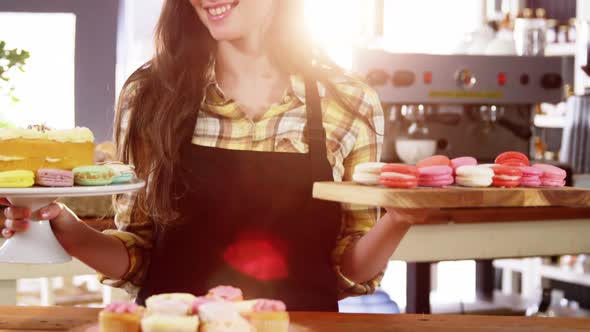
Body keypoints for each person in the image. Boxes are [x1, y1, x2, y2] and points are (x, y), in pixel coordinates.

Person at [1, 0, 433, 311]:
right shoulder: (150, 95)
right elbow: (138, 257)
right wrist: (65, 227)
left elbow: (350, 267)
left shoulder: (348, 102)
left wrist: (399, 218)